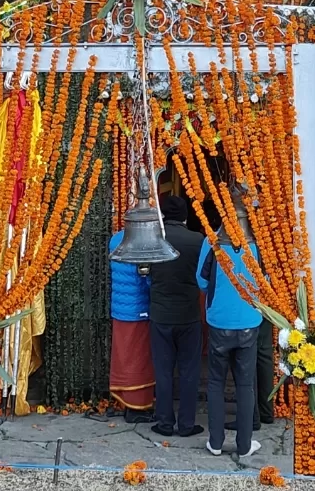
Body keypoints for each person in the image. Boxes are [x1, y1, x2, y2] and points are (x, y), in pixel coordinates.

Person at [197, 211, 262, 462]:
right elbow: (265, 280)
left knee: (215, 382)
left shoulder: (211, 244)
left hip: (218, 322)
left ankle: (215, 442)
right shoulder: (258, 245)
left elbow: (201, 281)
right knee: (245, 385)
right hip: (249, 322)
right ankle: (244, 444)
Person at [147, 195, 205, 438]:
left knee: (163, 370)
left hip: (160, 313)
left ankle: (164, 422)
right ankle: (187, 423)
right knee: (190, 370)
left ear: (163, 217)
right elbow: (204, 275)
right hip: (189, 314)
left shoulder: (153, 240)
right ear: (185, 216)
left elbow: (146, 272)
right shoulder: (198, 240)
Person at [108, 225, 154, 420]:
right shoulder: (144, 242)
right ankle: (137, 407)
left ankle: (126, 402)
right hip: (139, 309)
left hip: (120, 309)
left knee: (124, 357)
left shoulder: (116, 239)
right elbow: (147, 279)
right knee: (139, 360)